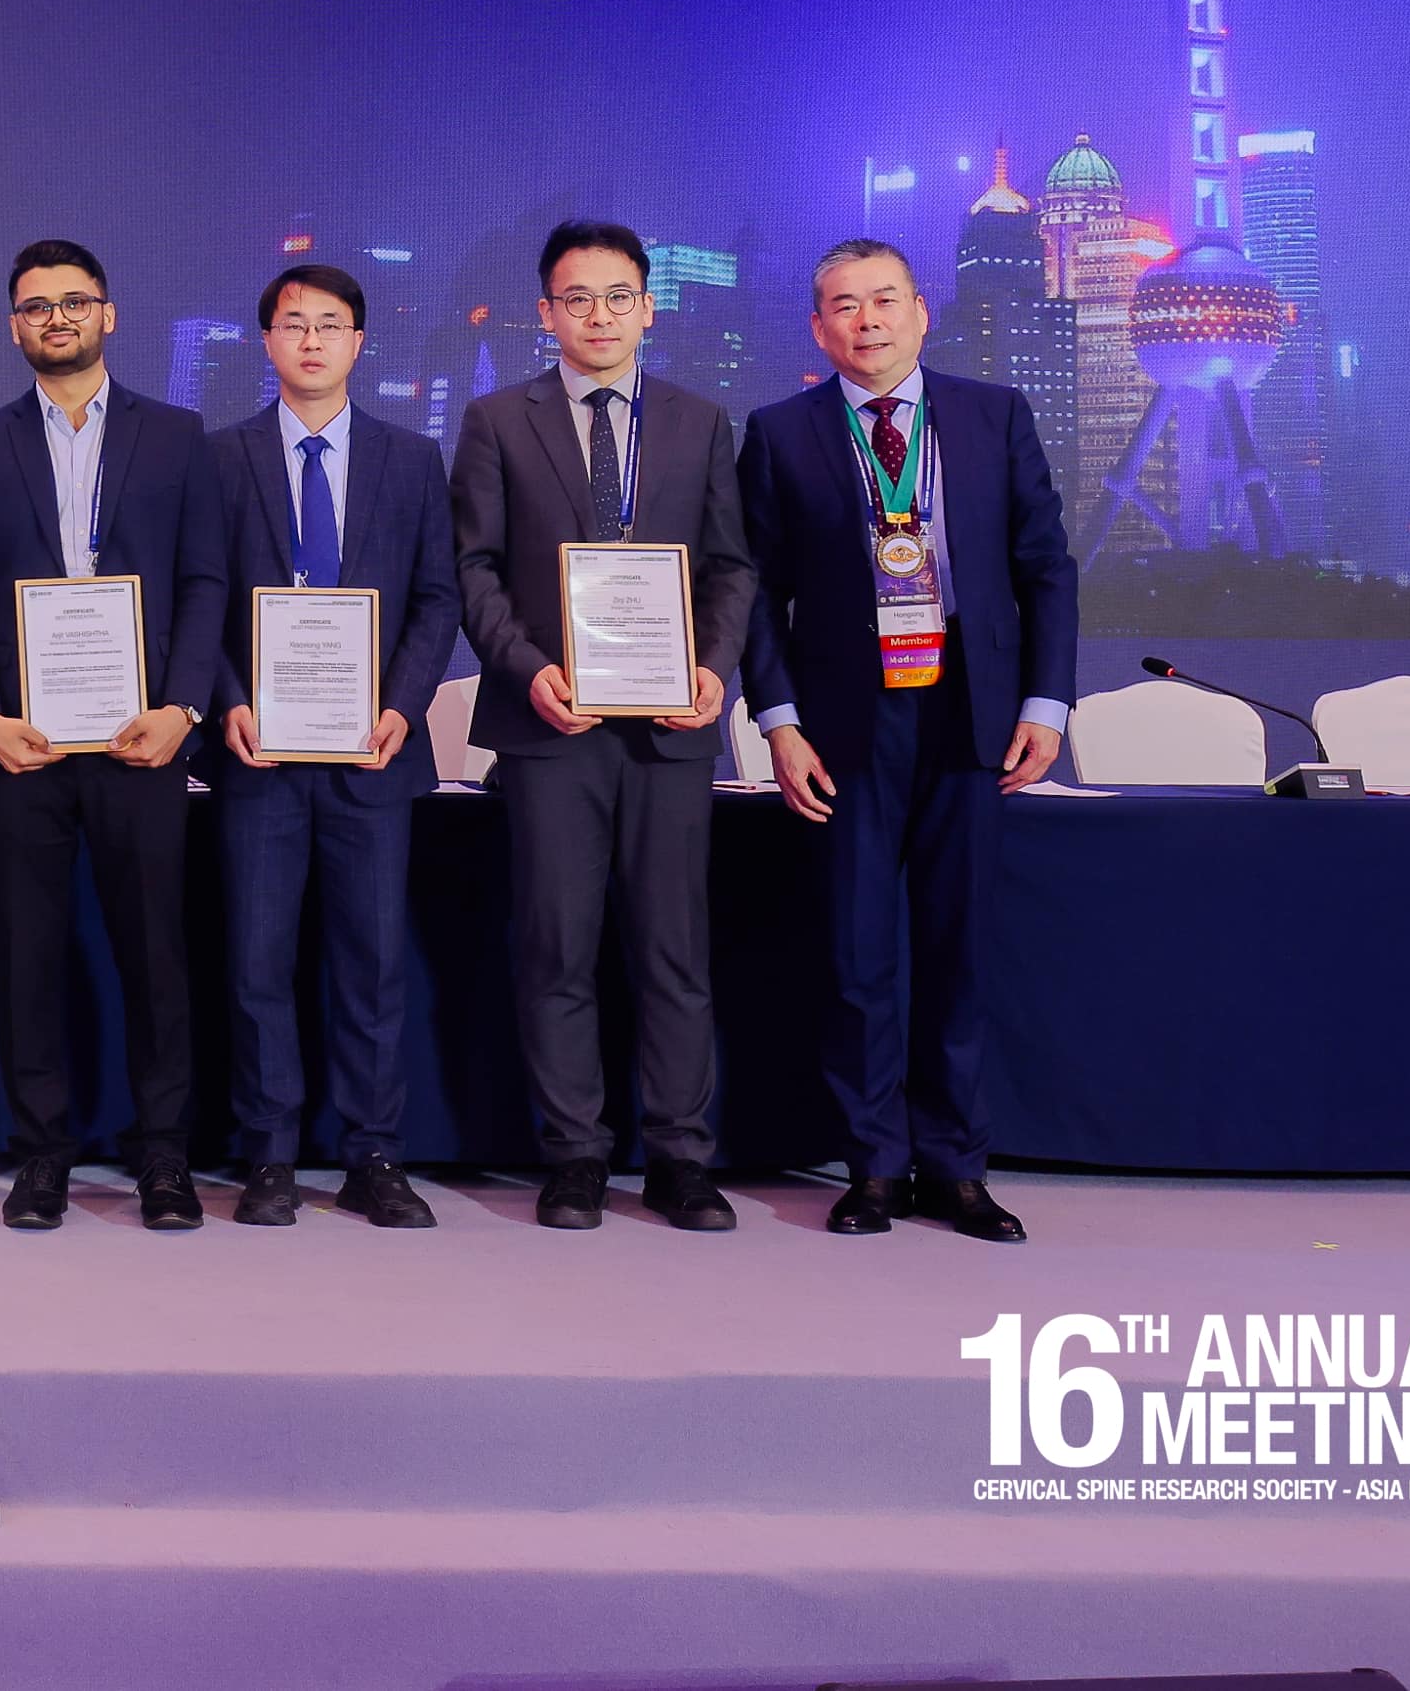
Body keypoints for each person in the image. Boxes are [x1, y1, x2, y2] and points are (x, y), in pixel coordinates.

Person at [742, 239, 1077, 1246]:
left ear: (921, 312)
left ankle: (958, 1168)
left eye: (884, 300)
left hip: (970, 709)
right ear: (818, 328)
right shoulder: (779, 432)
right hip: (845, 719)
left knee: (955, 948)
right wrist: (778, 720)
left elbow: (1045, 567)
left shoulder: (993, 414)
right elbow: (754, 592)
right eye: (844, 305)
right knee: (857, 955)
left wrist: (1046, 704)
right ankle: (875, 1166)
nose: (868, 321)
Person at [449, 219, 758, 1234]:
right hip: (551, 727)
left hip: (668, 727)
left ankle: (680, 1157)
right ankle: (575, 1155)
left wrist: (712, 668)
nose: (598, 315)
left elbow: (730, 566)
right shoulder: (498, 420)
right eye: (576, 298)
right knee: (555, 947)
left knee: (674, 950)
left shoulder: (699, 421)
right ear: (547, 312)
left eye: (617, 296)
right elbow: (474, 569)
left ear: (648, 308)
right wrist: (528, 669)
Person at [0, 240, 228, 1235]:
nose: (55, 318)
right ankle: (42, 1152)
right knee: (29, 955)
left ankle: (164, 1157)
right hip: (23, 746)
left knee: (155, 955)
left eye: (73, 301)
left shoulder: (177, 435)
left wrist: (183, 709)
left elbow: (204, 582)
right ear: (13, 326)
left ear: (109, 314)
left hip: (142, 739)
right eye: (35, 306)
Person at [206, 262, 461, 1231]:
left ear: (359, 341)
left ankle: (372, 1153)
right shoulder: (218, 459)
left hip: (370, 752)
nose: (310, 340)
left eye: (329, 324)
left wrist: (403, 706)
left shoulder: (412, 458)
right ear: (267, 340)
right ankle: (269, 1155)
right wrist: (227, 700)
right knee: (256, 963)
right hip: (258, 756)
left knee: (372, 963)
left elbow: (436, 597)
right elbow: (196, 596)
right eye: (292, 323)